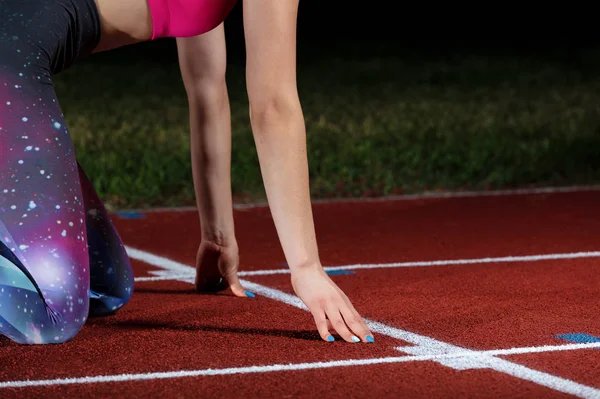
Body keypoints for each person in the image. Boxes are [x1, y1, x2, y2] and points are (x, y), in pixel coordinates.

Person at [0, 0, 374, 345]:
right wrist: (306, 268)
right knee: (49, 318)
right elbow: (272, 108)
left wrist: (218, 236)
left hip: (17, 52)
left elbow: (207, 92)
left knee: (106, 287)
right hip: (9, 53)